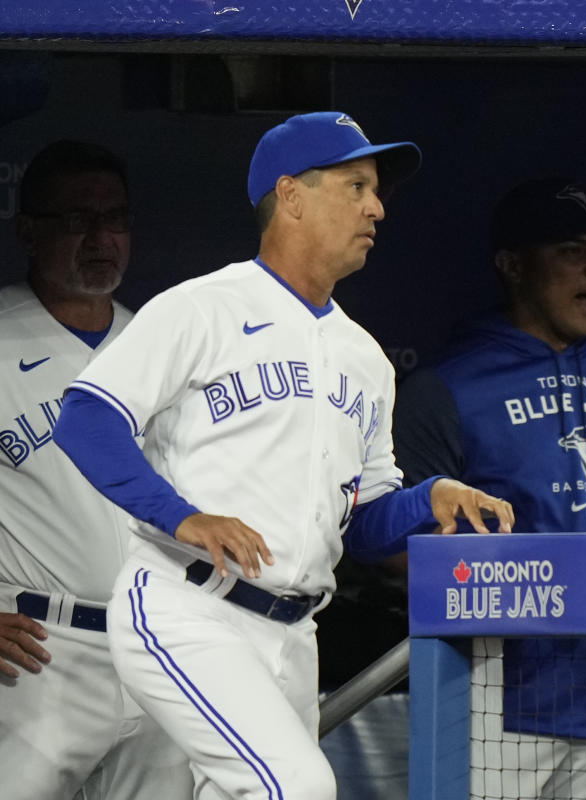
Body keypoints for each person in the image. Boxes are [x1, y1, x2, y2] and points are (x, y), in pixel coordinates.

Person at [51, 111, 515, 800]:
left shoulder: (365, 357)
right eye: (356, 185)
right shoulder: (203, 307)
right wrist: (183, 517)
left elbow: (363, 524)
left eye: (377, 190)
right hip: (189, 606)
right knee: (294, 787)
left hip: (295, 634)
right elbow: (85, 418)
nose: (377, 207)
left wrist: (430, 497)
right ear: (291, 195)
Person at [392, 176, 586, 799]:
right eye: (571, 249)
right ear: (513, 266)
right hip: (500, 704)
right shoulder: (448, 387)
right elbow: (400, 553)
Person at [0, 140, 193, 799]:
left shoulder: (158, 345)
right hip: (36, 652)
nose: (100, 237)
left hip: (155, 645)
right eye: (76, 220)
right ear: (28, 229)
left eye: (114, 218)